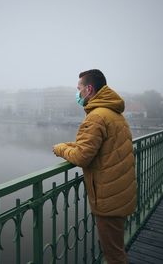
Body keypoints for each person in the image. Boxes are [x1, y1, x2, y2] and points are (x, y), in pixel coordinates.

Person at [52, 69, 137, 264]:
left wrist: (60, 149)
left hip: (109, 198)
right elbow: (98, 147)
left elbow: (82, 156)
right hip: (120, 192)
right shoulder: (113, 113)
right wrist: (70, 145)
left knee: (114, 254)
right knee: (116, 247)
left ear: (89, 89)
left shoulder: (96, 117)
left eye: (79, 88)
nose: (77, 93)